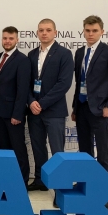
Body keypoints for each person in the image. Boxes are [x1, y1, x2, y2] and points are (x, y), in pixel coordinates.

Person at [72, 15, 108, 212]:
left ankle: (105, 195)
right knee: (85, 154)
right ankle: (86, 189)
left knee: (103, 155)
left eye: (94, 31)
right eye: (87, 30)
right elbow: (79, 82)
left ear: (102, 32)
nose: (90, 34)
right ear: (83, 31)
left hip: (100, 111)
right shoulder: (79, 53)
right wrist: (75, 108)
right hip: (82, 109)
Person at [26, 19, 73, 200]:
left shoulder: (64, 54)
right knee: (38, 148)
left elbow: (64, 84)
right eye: (41, 30)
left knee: (57, 152)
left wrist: (42, 103)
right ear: (37, 33)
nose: (44, 33)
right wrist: (31, 101)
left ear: (55, 32)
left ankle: (61, 189)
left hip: (54, 111)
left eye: (48, 30)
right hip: (34, 111)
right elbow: (26, 83)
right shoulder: (31, 55)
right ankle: (40, 180)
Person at [0, 26, 31, 186]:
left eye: (10, 38)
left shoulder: (22, 60)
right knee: (4, 149)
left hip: (13, 114)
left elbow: (23, 90)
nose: (7, 41)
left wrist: (17, 114)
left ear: (17, 40)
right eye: (5, 38)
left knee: (18, 149)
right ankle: (8, 180)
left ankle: (22, 182)